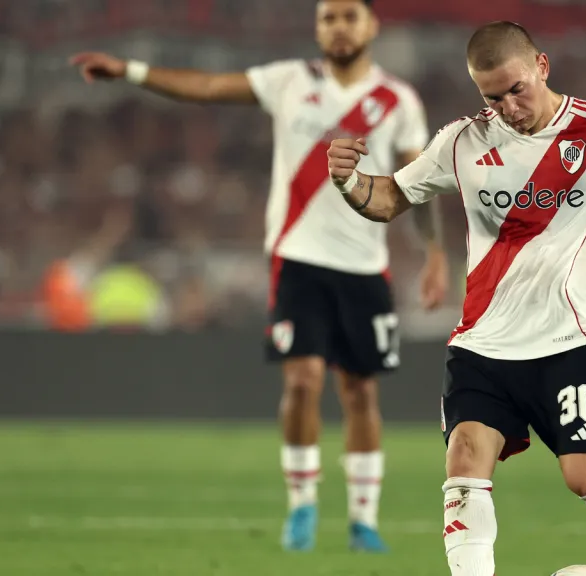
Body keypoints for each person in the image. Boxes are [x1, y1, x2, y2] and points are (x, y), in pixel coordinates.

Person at [326, 20, 586, 576]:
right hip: (482, 345)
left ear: (542, 67)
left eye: (516, 89)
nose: (507, 106)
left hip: (566, 343)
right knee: (464, 463)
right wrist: (348, 181)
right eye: (492, 97)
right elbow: (388, 198)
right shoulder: (462, 142)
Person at [69, 0, 449, 553]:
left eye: (348, 15)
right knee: (301, 381)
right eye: (327, 17)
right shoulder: (288, 80)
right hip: (297, 259)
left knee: (360, 391)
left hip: (365, 266)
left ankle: (363, 519)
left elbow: (419, 180)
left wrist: (435, 253)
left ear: (371, 26)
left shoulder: (398, 101)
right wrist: (130, 70)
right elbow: (204, 86)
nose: (337, 26)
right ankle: (302, 506)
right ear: (317, 28)